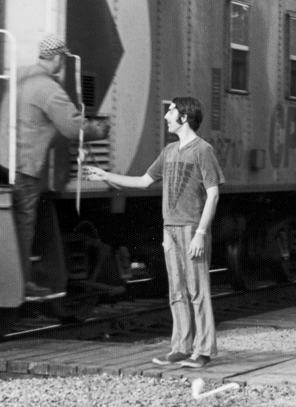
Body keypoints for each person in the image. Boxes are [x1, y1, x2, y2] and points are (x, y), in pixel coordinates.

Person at [84, 97, 223, 369]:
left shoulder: (202, 150)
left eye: (170, 112)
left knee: (198, 291)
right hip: (170, 229)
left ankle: (203, 351)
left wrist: (200, 232)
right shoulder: (169, 151)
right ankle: (181, 348)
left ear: (184, 117)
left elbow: (213, 194)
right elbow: (143, 181)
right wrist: (104, 174)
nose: (166, 117)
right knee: (177, 291)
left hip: (192, 228)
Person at [0, 34, 109, 301]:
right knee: (24, 223)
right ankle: (21, 283)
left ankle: (11, 278)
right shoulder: (49, 89)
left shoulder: (20, 75)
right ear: (57, 58)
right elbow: (72, 128)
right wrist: (99, 130)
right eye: (63, 59)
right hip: (24, 167)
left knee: (10, 223)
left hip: (1, 160)